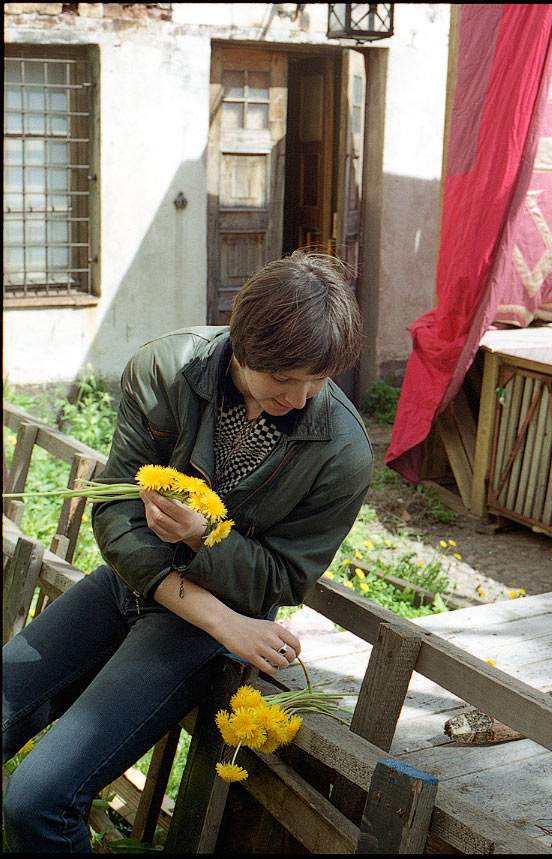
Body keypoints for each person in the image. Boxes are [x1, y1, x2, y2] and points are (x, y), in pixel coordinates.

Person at [2, 250, 373, 852]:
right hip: (155, 594)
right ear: (245, 348)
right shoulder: (166, 369)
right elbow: (115, 514)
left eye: (320, 381)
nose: (302, 399)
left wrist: (205, 538)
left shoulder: (342, 452)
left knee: (37, 801)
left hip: (197, 634)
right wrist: (223, 618)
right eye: (285, 380)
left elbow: (278, 582)